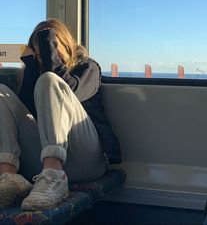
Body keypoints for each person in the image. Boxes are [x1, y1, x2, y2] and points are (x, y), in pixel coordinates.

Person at [0, 18, 121, 211]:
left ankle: (55, 175)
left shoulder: (88, 68)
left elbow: (72, 90)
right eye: (38, 54)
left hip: (86, 161)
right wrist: (31, 68)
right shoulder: (33, 75)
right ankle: (8, 176)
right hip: (41, 165)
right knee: (1, 92)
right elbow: (28, 112)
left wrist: (49, 57)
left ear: (62, 46)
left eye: (48, 51)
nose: (42, 58)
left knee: (49, 80)